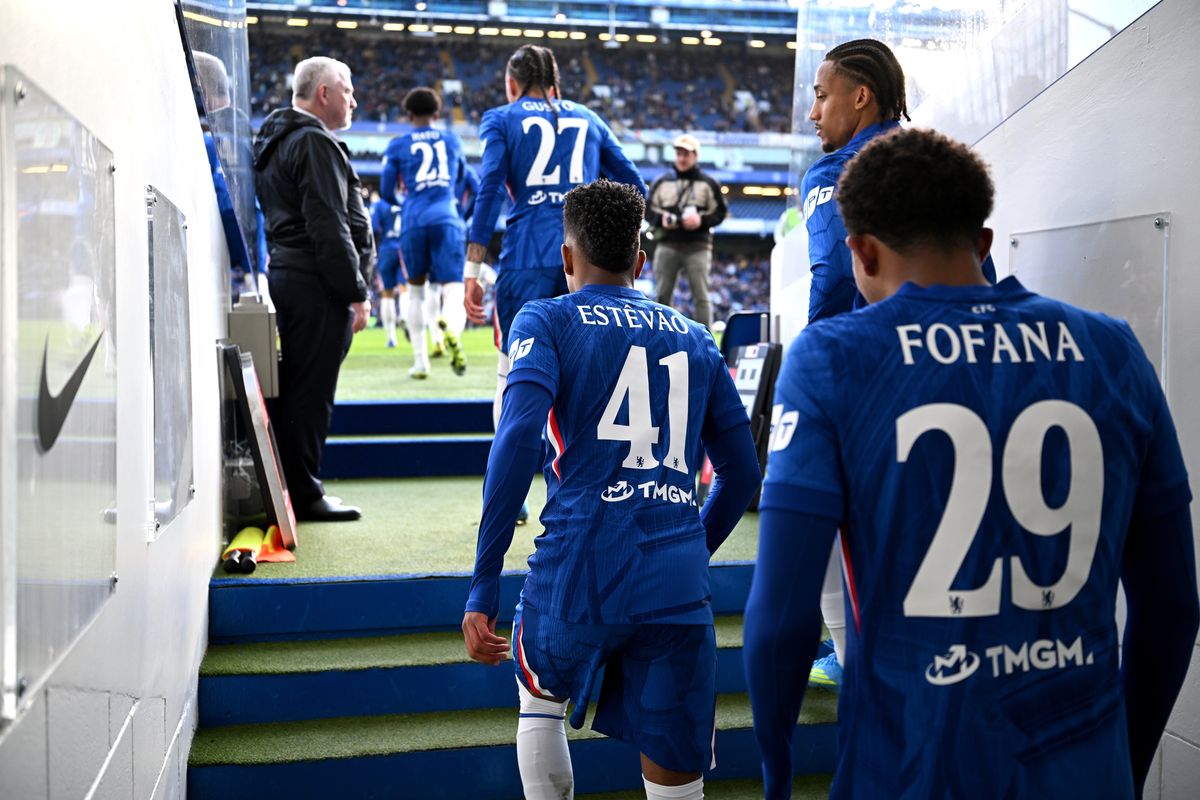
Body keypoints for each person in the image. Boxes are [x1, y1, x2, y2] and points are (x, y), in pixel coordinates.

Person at [743, 128, 1198, 799]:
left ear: (861, 251)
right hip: (1082, 771)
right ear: (983, 244)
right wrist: (1119, 766)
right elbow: (1171, 609)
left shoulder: (833, 360)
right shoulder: (1113, 348)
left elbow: (781, 619)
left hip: (906, 771)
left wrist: (777, 771)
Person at [462, 179, 761, 800]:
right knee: (677, 779)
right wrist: (687, 546)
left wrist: (484, 580)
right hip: (676, 580)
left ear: (567, 258)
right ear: (642, 261)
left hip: (577, 567)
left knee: (539, 698)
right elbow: (744, 474)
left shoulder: (543, 318)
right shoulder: (696, 335)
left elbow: (516, 442)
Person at [799, 38, 998, 691]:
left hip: (879, 386)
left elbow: (832, 281)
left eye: (821, 95)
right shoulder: (937, 165)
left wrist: (813, 374)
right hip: (970, 382)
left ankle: (847, 653)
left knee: (832, 521)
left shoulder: (835, 173)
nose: (812, 113)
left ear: (861, 96)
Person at [462, 44, 647, 434]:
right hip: (586, 262)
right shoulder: (588, 118)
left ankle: (512, 493)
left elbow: (491, 189)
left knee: (512, 372)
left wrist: (473, 268)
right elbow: (635, 186)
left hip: (525, 258)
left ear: (512, 84)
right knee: (584, 374)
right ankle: (575, 481)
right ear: (554, 83)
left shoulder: (500, 119)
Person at [253, 56, 372, 522]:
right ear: (324, 93)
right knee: (311, 392)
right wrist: (355, 290)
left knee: (299, 388)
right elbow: (330, 225)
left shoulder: (279, 140)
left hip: (293, 277)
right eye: (347, 89)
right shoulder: (312, 142)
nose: (353, 99)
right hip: (317, 285)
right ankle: (303, 494)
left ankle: (294, 488)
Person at [381, 87, 470, 378]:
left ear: (408, 115)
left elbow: (385, 190)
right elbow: (460, 178)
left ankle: (421, 362)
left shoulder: (397, 145)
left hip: (414, 219)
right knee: (454, 289)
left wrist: (405, 204)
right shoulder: (451, 140)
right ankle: (448, 325)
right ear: (437, 113)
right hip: (447, 215)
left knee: (416, 292)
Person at [645, 133, 727, 330]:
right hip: (667, 244)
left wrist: (701, 220)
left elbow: (720, 212)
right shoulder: (661, 181)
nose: (681, 158)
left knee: (701, 295)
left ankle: (705, 341)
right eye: (678, 153)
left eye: (686, 154)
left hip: (698, 246)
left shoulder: (708, 183)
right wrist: (661, 219)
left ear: (695, 156)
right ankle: (661, 337)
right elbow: (648, 210)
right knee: (662, 295)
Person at [369, 191, 407, 347]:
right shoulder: (407, 201)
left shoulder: (380, 204)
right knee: (405, 288)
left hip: (387, 248)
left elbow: (374, 227)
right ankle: (404, 316)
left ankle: (391, 337)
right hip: (404, 247)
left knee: (387, 293)